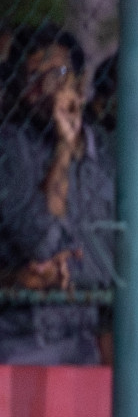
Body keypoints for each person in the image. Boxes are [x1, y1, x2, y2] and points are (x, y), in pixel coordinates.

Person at [0, 24, 115, 365]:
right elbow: (42, 243)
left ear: (80, 83)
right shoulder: (11, 146)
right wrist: (64, 147)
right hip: (25, 339)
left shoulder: (106, 151)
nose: (43, 86)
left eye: (58, 74)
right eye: (31, 77)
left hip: (88, 334)